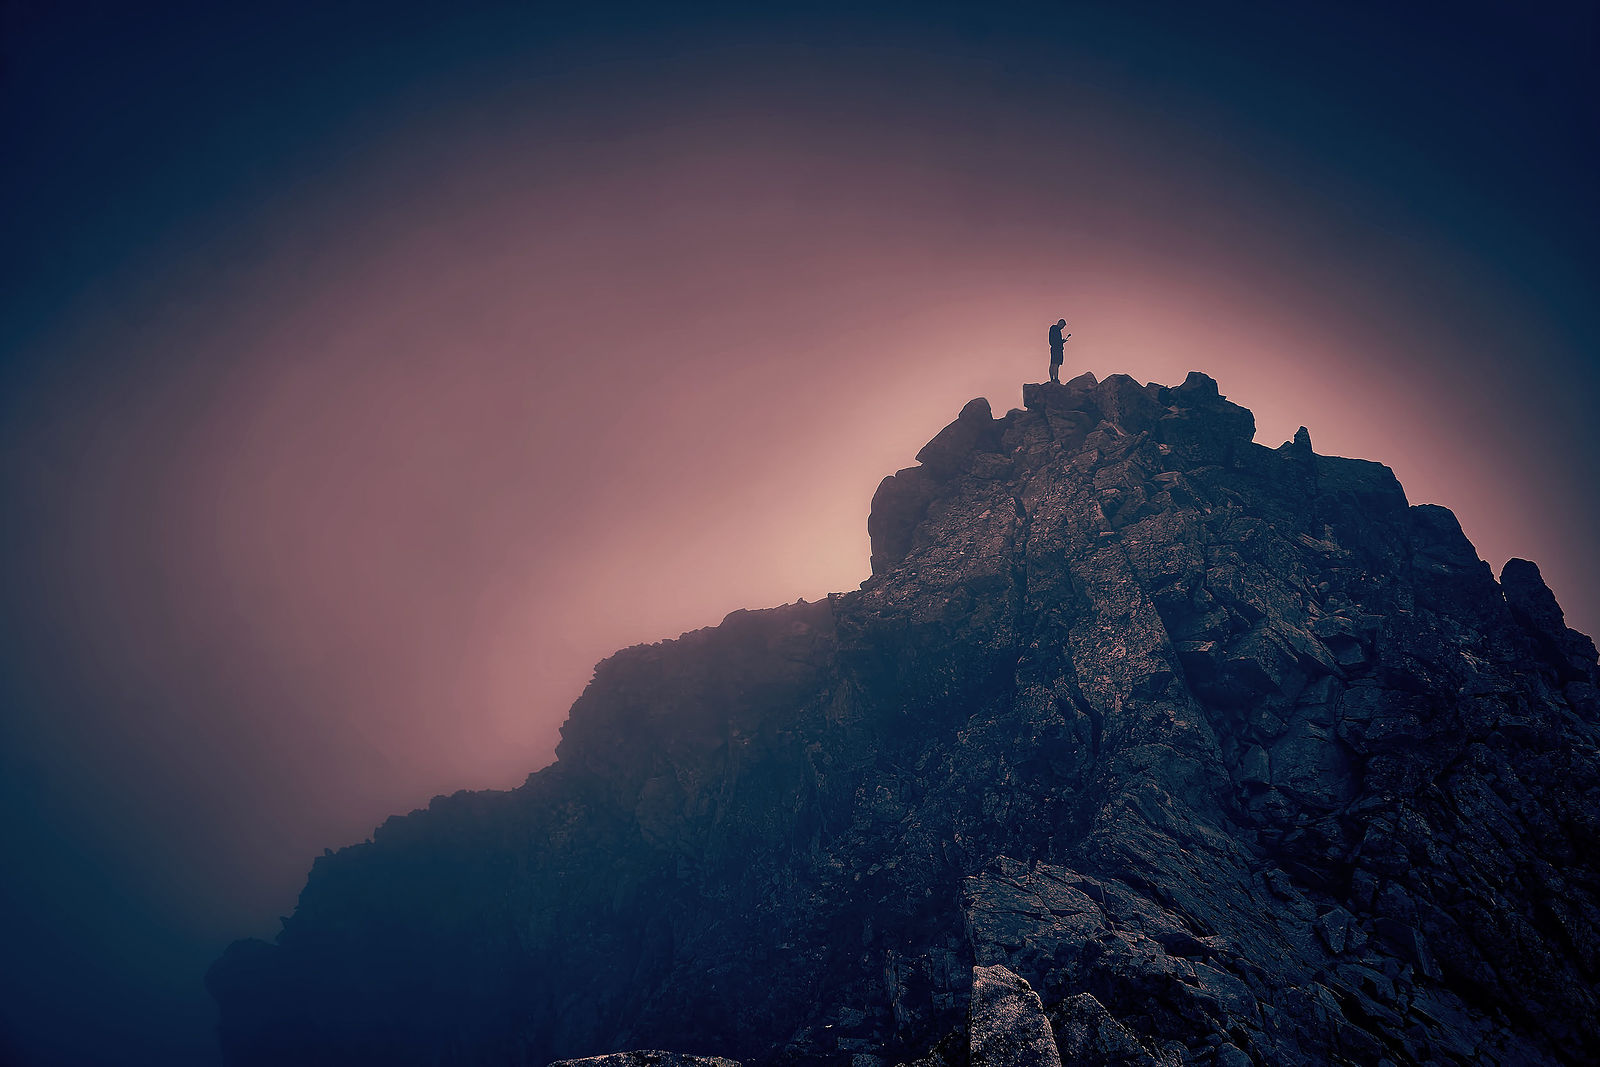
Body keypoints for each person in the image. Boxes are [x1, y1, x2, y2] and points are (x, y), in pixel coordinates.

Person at [1048, 318, 1070, 383]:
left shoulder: (1054, 329)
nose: (1063, 327)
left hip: (1054, 348)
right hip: (1056, 349)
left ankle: (1052, 379)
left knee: (1053, 363)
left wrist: (1061, 342)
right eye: (1063, 325)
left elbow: (1054, 340)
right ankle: (1055, 379)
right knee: (1056, 364)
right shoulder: (1055, 329)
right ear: (1060, 323)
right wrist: (1061, 342)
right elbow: (1055, 341)